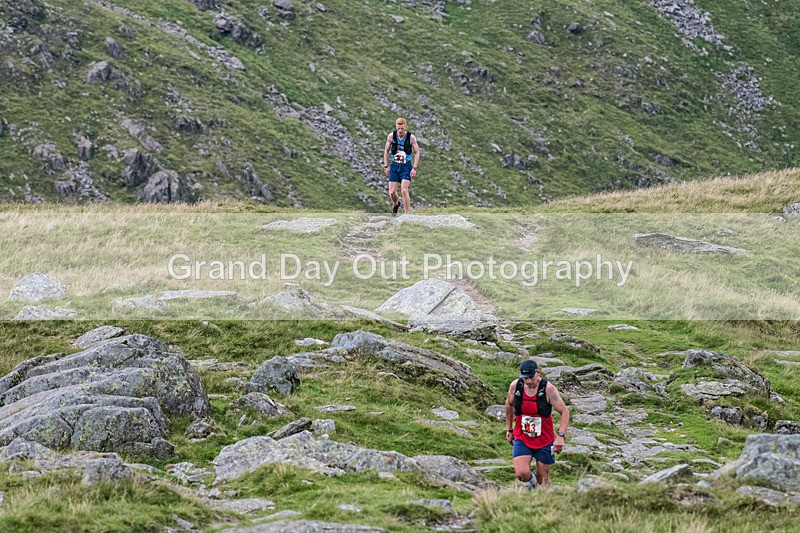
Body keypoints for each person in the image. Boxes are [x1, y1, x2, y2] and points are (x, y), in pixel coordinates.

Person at [505, 359, 570, 489]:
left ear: (538, 373)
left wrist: (560, 436)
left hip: (544, 440)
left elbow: (564, 412)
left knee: (543, 481)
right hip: (522, 436)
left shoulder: (548, 389)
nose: (528, 381)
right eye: (525, 378)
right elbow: (509, 404)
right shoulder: (515, 386)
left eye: (531, 377)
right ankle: (532, 485)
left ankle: (544, 497)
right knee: (521, 474)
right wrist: (509, 429)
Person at [383, 117, 420, 216]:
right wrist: (386, 166)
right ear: (396, 127)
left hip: (406, 166)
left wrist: (414, 168)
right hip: (395, 166)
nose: (400, 131)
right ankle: (396, 204)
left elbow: (417, 152)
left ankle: (406, 214)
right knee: (392, 192)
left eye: (402, 129)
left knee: (404, 190)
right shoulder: (391, 136)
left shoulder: (411, 138)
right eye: (398, 128)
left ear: (405, 127)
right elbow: (386, 151)